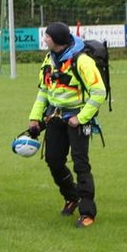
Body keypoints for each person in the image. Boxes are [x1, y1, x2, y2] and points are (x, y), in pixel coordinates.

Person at [25, 21, 107, 228]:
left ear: (58, 41)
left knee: (81, 164)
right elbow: (44, 91)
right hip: (54, 118)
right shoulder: (49, 59)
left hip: (78, 120)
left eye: (48, 37)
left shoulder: (82, 61)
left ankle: (87, 212)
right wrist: (35, 117)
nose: (44, 39)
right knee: (53, 160)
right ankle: (72, 196)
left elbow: (99, 92)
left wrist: (80, 118)